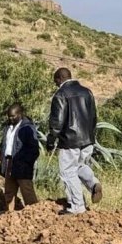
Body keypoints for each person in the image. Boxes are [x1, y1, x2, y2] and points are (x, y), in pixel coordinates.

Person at [48, 67, 102, 215]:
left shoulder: (60, 94)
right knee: (79, 166)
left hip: (70, 140)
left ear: (59, 79)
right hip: (87, 139)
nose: (55, 84)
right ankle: (93, 183)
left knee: (67, 172)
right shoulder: (87, 92)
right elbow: (94, 117)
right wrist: (90, 135)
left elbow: (56, 122)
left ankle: (77, 206)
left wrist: (51, 140)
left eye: (55, 81)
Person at [0, 104, 39, 211]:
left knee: (27, 191)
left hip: (22, 164)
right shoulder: (8, 127)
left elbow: (34, 149)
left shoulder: (27, 128)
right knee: (9, 191)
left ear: (20, 114)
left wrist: (25, 162)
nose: (10, 118)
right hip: (8, 162)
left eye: (13, 116)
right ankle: (10, 214)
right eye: (9, 116)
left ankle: (34, 213)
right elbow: (3, 144)